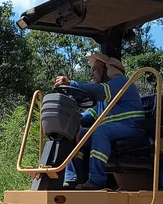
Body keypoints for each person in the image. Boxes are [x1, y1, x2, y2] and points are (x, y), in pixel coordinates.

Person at [54, 53, 144, 190]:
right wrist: (71, 120)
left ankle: (97, 180)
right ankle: (73, 179)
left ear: (108, 69)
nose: (92, 74)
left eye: (95, 69)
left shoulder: (121, 83)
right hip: (113, 130)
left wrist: (72, 84)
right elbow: (90, 114)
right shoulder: (102, 99)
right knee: (74, 133)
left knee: (101, 131)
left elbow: (100, 91)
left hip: (132, 127)